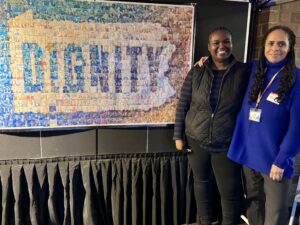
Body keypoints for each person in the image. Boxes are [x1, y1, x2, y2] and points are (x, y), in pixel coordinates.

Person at [173, 27, 250, 225]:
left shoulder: (244, 72)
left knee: (229, 191)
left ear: (232, 44)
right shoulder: (197, 70)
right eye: (216, 43)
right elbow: (184, 103)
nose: (221, 46)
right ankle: (204, 221)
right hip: (196, 138)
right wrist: (178, 136)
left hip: (227, 142)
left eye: (226, 41)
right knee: (201, 183)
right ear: (209, 46)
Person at [227, 25, 300, 225]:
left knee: (274, 215)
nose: (275, 48)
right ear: (263, 46)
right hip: (249, 155)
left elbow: (297, 127)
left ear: (290, 47)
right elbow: (224, 65)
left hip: (274, 160)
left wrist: (282, 159)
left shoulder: (297, 78)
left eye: (281, 44)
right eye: (270, 43)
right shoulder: (253, 69)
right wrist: (205, 61)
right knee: (254, 207)